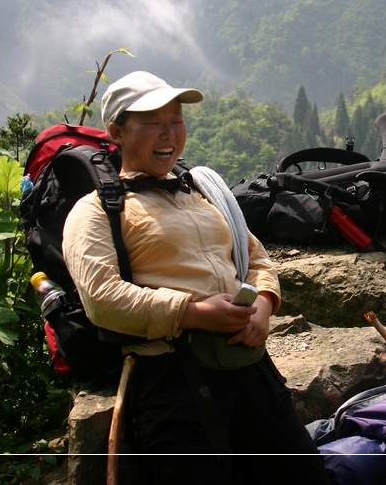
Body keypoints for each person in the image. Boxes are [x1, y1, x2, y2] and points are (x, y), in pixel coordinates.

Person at [62, 71, 330, 484]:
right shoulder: (97, 211)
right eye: (153, 122)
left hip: (249, 366)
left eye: (176, 120)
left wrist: (263, 303)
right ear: (116, 131)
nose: (168, 133)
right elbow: (102, 299)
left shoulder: (200, 191)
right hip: (172, 381)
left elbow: (254, 256)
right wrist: (194, 312)